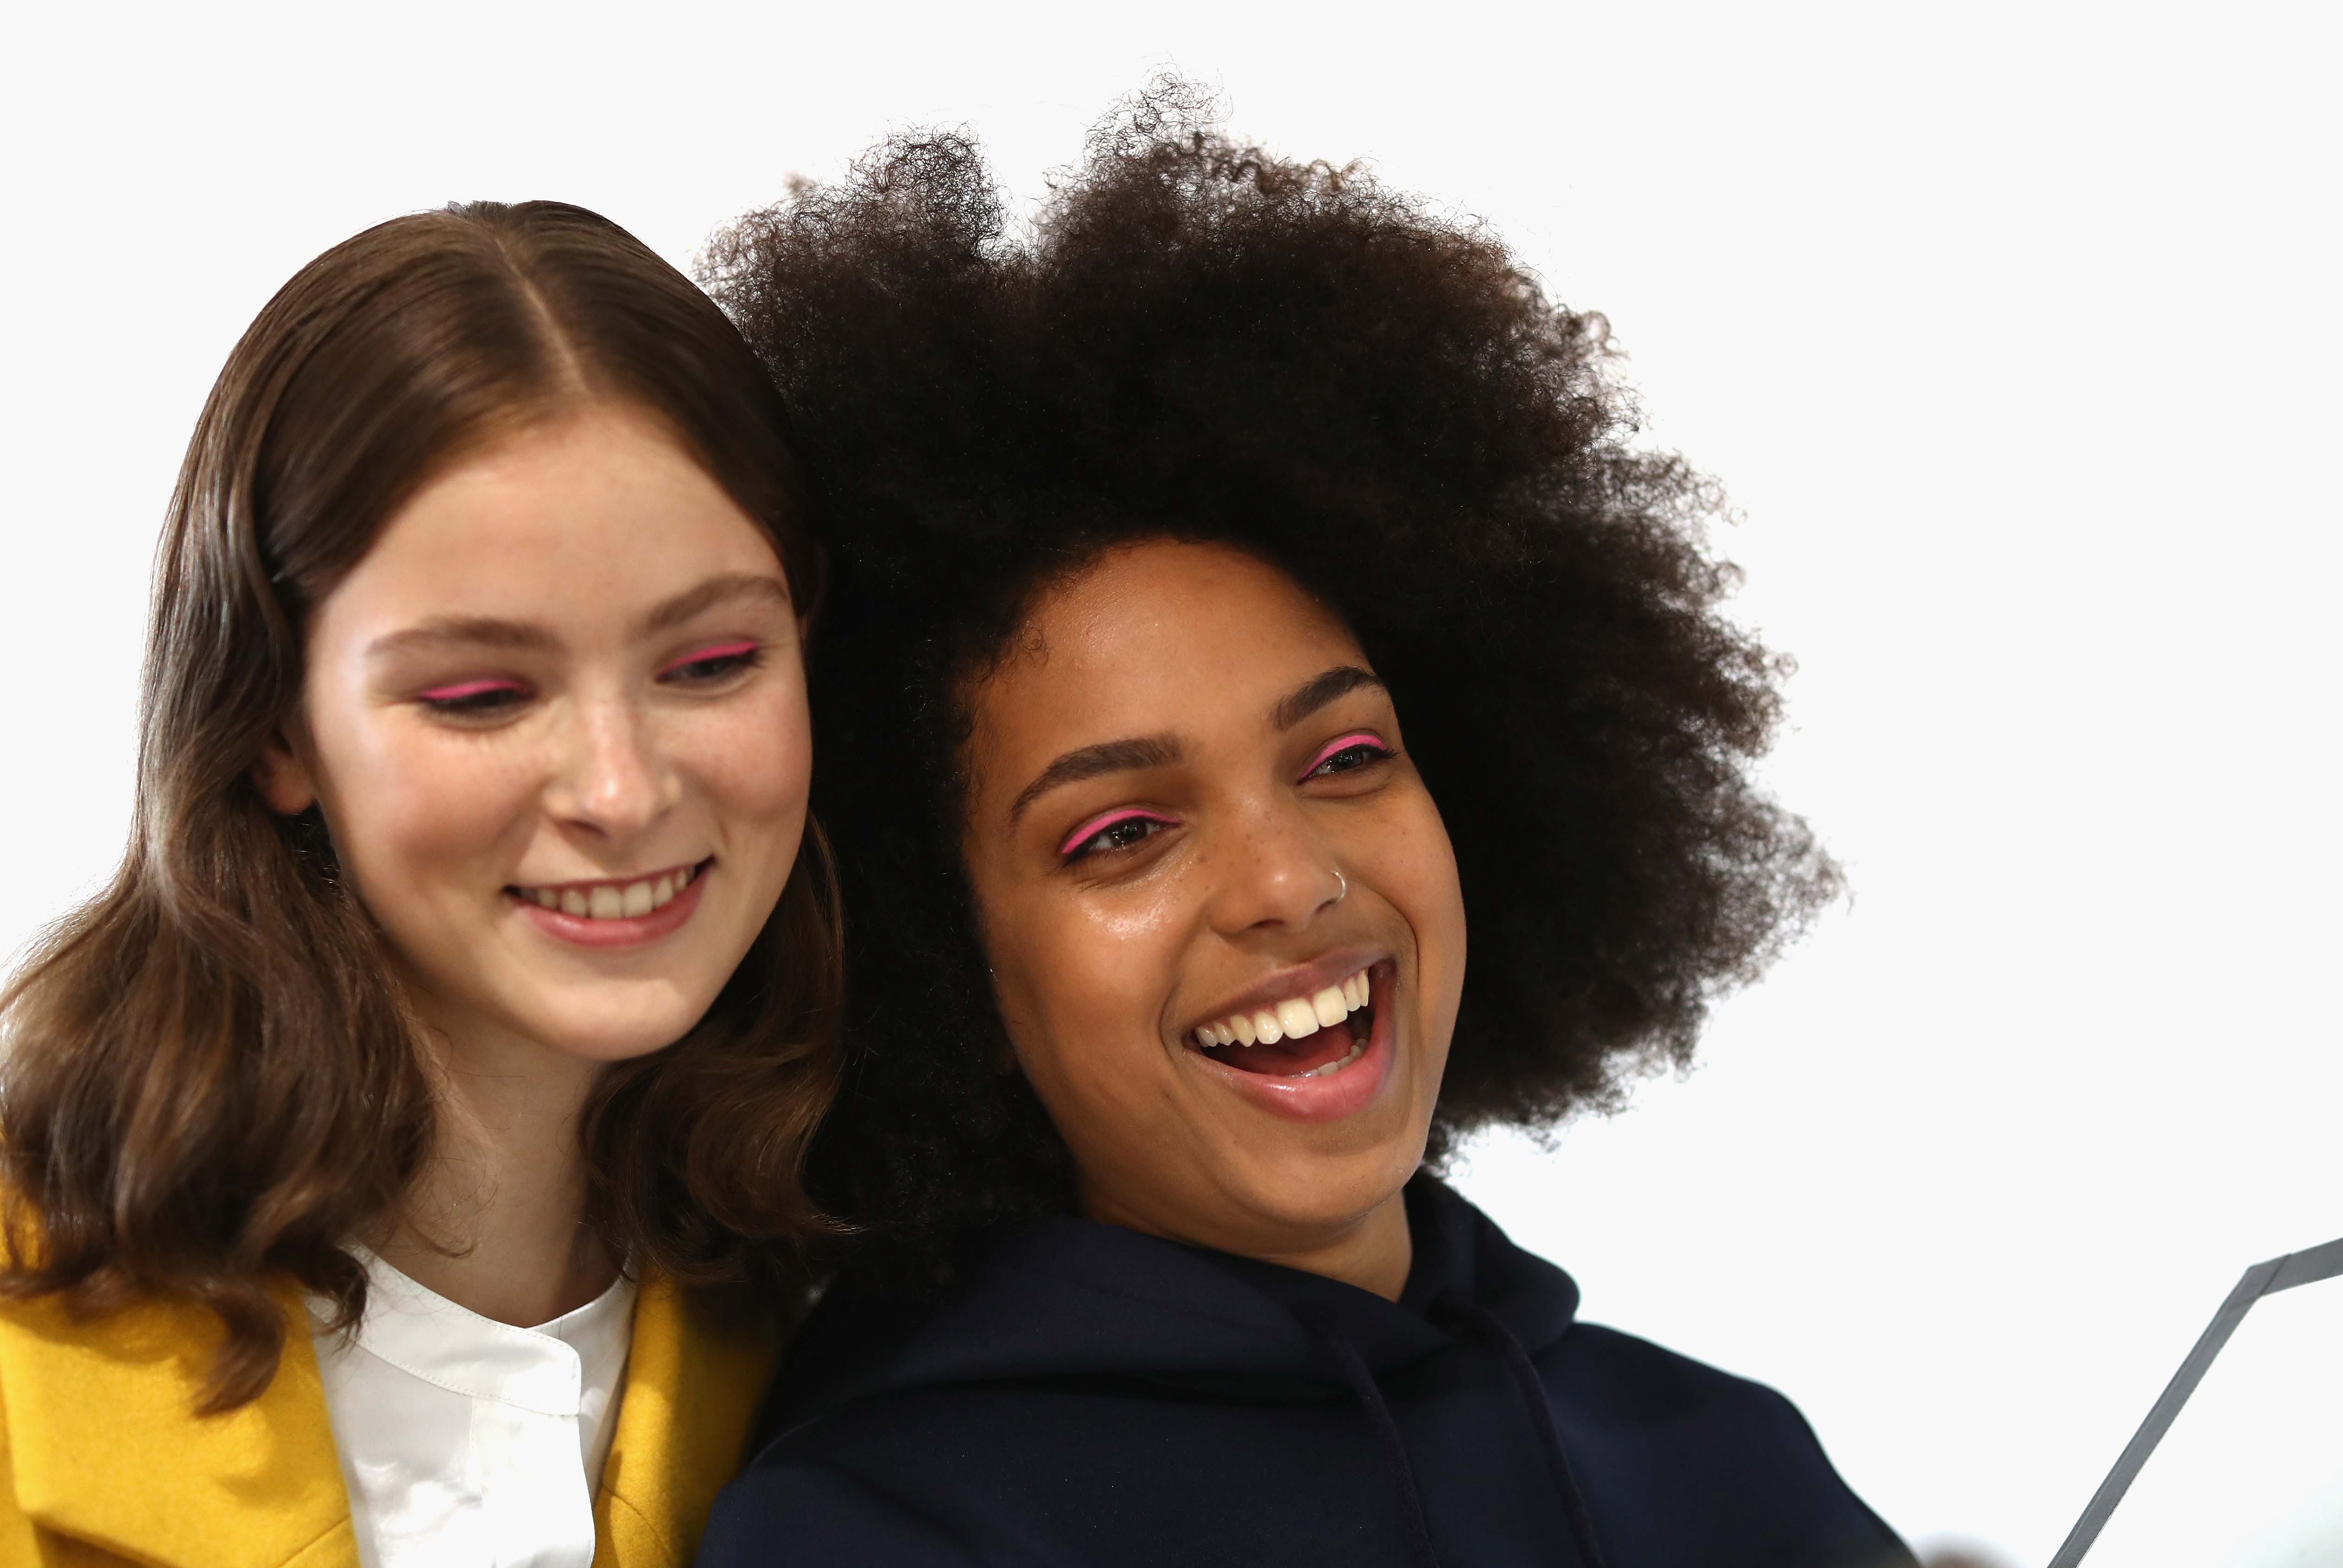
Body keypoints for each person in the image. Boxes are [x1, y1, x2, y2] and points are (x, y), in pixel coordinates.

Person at [692, 93, 1914, 1568]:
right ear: (940, 963)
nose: (1289, 881)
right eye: (1121, 835)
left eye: (1344, 758)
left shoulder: (1728, 1468)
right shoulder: (879, 1532)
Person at [0, 201, 840, 1568]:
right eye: (481, 695)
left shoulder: (866, 1337)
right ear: (276, 731)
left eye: (710, 666)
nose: (621, 791)